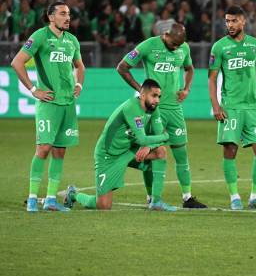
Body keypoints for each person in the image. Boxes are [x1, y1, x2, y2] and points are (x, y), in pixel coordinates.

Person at [117, 23, 206, 208]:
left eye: (179, 45)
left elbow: (189, 68)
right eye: (173, 44)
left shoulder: (184, 47)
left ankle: (187, 197)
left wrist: (186, 89)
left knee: (181, 153)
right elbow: (122, 67)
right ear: (165, 35)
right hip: (153, 110)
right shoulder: (148, 46)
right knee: (152, 153)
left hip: (174, 109)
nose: (176, 48)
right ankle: (151, 197)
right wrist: (140, 89)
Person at [11, 2, 85, 212]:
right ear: (51, 17)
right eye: (62, 13)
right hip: (49, 103)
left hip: (68, 104)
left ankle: (51, 199)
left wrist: (78, 84)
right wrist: (34, 89)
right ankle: (33, 198)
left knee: (60, 152)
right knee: (43, 149)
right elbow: (17, 62)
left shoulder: (72, 40)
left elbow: (80, 66)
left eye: (69, 14)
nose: (67, 17)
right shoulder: (40, 36)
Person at [64, 79, 176, 211]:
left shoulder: (153, 109)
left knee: (160, 152)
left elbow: (156, 137)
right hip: (108, 156)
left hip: (129, 151)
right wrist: (165, 136)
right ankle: (74, 195)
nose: (157, 100)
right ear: (143, 95)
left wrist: (150, 146)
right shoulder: (131, 108)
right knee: (103, 206)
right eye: (154, 96)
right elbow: (144, 139)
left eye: (159, 96)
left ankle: (155, 201)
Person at [208, 6, 256, 210]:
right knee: (230, 149)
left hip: (252, 107)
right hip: (231, 107)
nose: (229, 25)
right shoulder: (219, 47)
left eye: (234, 21)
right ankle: (234, 197)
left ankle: (255, 196)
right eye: (227, 21)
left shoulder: (255, 45)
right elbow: (212, 79)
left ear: (243, 21)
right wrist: (216, 105)